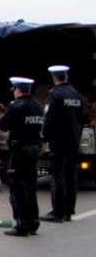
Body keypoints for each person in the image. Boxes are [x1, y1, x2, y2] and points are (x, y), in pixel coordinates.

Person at [0, 77, 44, 237]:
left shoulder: (17, 105)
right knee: (31, 187)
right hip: (34, 150)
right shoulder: (38, 105)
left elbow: (3, 125)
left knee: (17, 188)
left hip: (19, 151)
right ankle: (33, 222)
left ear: (17, 90)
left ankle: (22, 225)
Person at [40, 65, 84, 223]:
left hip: (59, 142)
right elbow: (81, 119)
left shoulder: (54, 95)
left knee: (58, 175)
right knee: (71, 175)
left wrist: (43, 139)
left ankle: (57, 212)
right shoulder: (77, 95)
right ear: (66, 77)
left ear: (54, 78)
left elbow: (49, 119)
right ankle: (69, 210)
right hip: (73, 141)